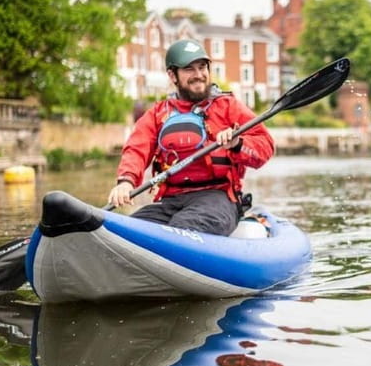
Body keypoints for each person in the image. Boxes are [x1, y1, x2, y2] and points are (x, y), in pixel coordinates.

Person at [107, 39, 274, 236]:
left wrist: (237, 144)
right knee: (128, 230)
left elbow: (265, 147)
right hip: (170, 201)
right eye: (189, 69)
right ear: (172, 75)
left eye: (202, 67)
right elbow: (136, 149)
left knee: (183, 226)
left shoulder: (229, 107)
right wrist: (126, 181)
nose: (199, 75)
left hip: (218, 197)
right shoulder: (158, 114)